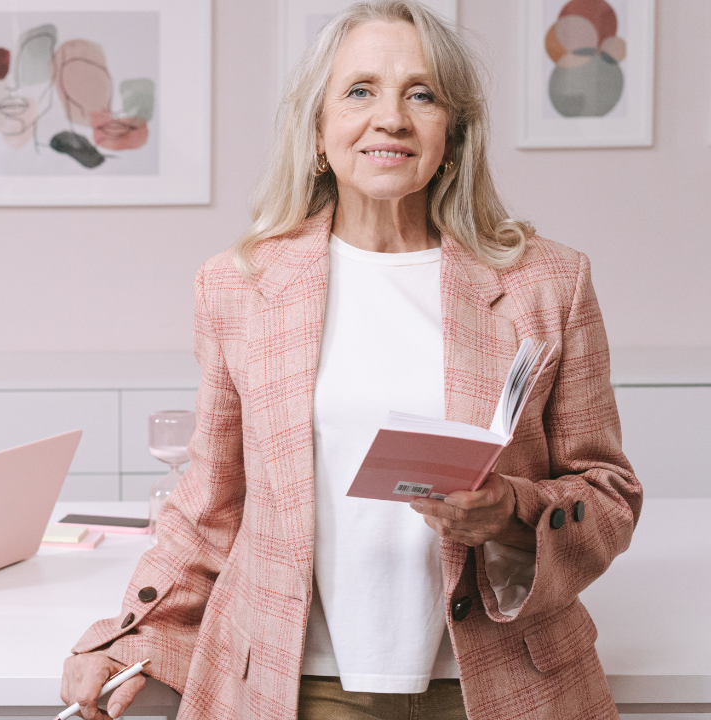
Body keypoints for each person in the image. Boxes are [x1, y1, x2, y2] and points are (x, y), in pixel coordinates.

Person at [59, 2, 642, 718]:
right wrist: (126, 641)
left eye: (421, 94)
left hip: (495, 687)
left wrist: (511, 513)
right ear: (318, 132)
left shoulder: (548, 284)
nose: (391, 117)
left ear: (452, 136)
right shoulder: (239, 286)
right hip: (300, 685)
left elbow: (608, 491)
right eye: (360, 90)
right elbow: (213, 507)